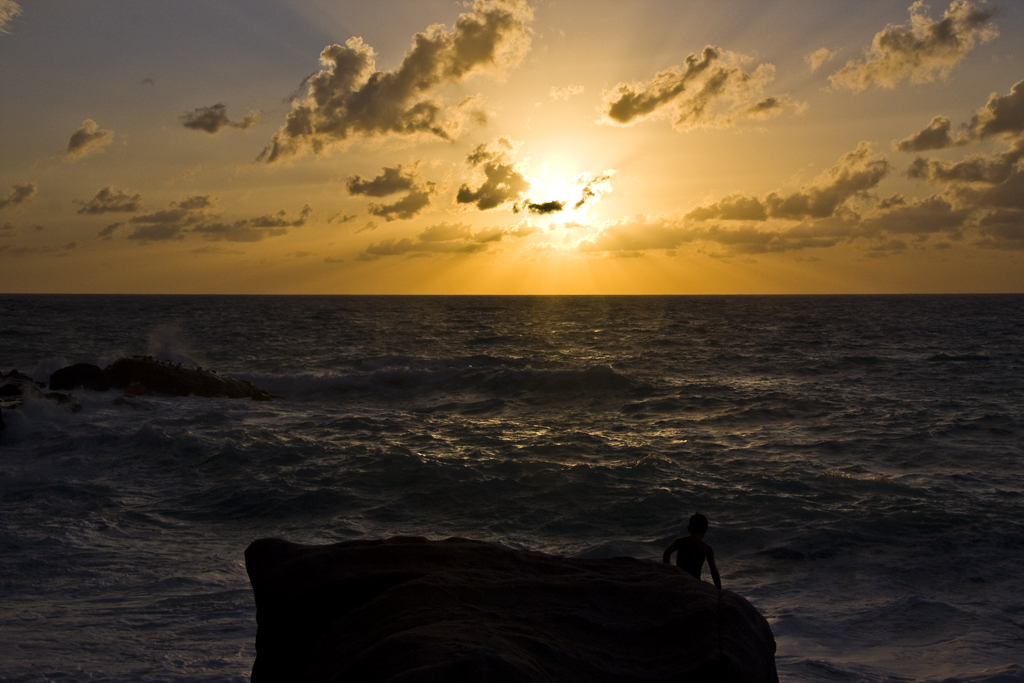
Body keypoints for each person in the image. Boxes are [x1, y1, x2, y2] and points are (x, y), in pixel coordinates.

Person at [663, 512, 721, 589]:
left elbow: (666, 553)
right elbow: (713, 571)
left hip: (680, 578)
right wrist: (719, 590)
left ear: (688, 528)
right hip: (695, 582)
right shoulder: (706, 548)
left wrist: (669, 573)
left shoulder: (680, 541)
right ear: (705, 530)